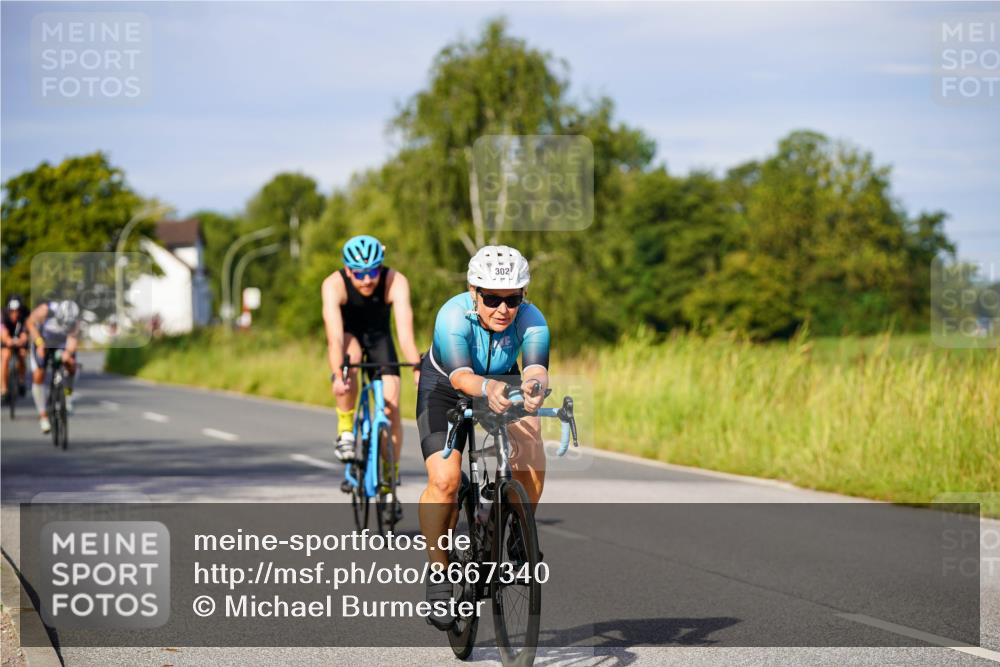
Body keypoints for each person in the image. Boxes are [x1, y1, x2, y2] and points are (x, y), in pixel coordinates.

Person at [416, 245, 550, 630]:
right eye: (492, 298)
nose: (502, 309)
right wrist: (487, 385)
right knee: (445, 480)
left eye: (512, 299)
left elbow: (537, 366)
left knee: (532, 443)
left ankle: (519, 537)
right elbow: (461, 377)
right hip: (445, 386)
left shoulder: (533, 318)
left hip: (501, 383)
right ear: (474, 291)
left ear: (523, 296)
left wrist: (534, 387)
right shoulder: (452, 316)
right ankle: (439, 572)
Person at [321, 235, 422, 518]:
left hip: (380, 339)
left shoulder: (396, 281)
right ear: (347, 269)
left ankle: (390, 480)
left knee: (391, 405)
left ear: (381, 266)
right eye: (359, 273)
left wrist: (416, 367)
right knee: (347, 369)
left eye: (373, 271)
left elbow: (405, 334)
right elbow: (335, 339)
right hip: (349, 337)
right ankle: (345, 431)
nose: (367, 280)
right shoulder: (333, 285)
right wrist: (338, 375)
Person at [26, 299, 81, 433]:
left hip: (62, 344)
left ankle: (68, 396)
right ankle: (43, 414)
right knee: (39, 373)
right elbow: (30, 323)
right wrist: (39, 342)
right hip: (43, 342)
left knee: (71, 366)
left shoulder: (75, 320)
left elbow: (72, 341)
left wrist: (67, 354)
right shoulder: (45, 310)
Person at [1, 295, 30, 404]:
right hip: (7, 338)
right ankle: (3, 389)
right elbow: (2, 332)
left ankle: (21, 380)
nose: (14, 314)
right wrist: (8, 340)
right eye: (12, 311)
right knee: (5, 356)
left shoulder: (25, 315)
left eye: (17, 311)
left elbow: (25, 333)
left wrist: (22, 340)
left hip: (20, 338)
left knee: (22, 354)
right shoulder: (3, 315)